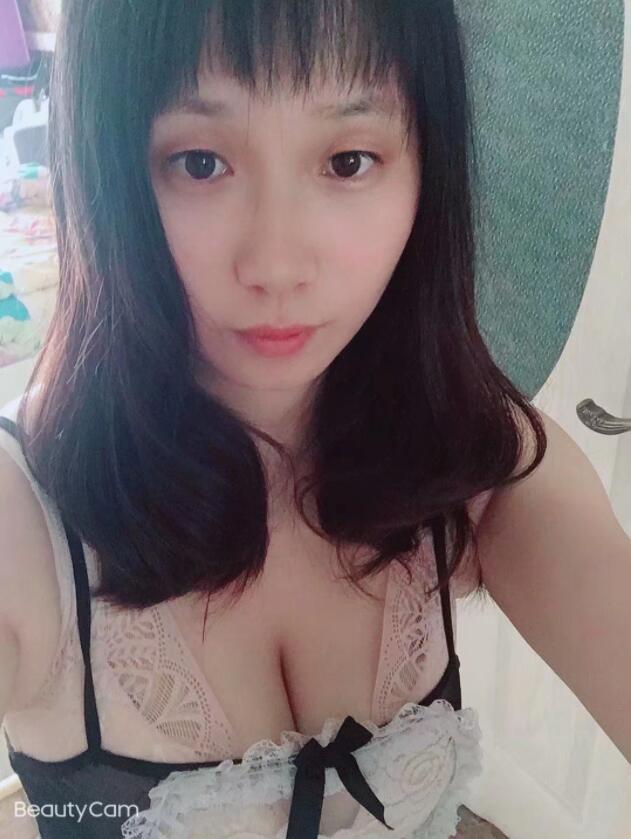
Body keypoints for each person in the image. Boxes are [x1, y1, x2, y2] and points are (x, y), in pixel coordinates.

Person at [0, 0, 628, 837]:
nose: (277, 263)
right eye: (199, 162)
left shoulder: (471, 460)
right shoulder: (24, 520)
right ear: (104, 168)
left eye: (347, 160)